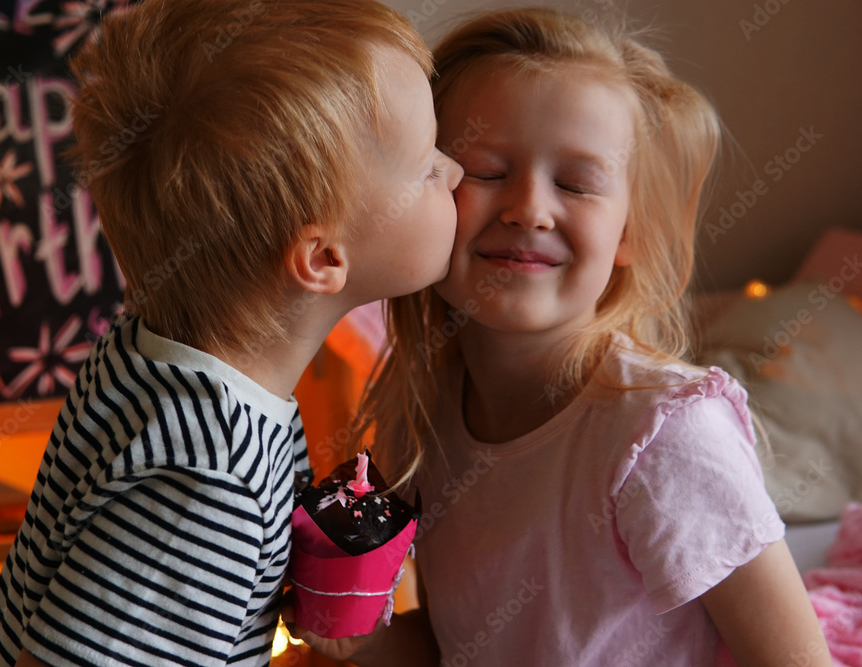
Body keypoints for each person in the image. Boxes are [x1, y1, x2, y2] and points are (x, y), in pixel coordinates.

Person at [286, 7, 831, 666]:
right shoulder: (423, 415)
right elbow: (456, 648)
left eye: (575, 183)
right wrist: (365, 640)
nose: (529, 209)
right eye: (486, 171)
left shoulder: (665, 436)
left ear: (629, 232)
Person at [0, 0, 463, 665]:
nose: (455, 172)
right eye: (428, 166)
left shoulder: (157, 352)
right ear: (322, 259)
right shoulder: (208, 477)